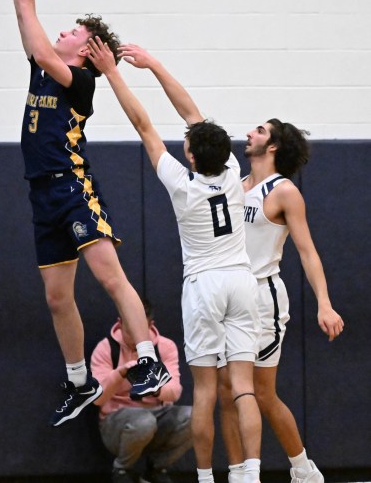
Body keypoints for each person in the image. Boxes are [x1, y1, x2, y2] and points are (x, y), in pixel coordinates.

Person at [12, 0, 171, 427]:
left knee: (109, 277)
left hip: (72, 189)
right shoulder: (44, 67)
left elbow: (38, 42)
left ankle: (148, 360)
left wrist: (31, 5)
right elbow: (25, 17)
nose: (62, 31)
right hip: (42, 197)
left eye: (73, 32)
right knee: (58, 298)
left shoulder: (79, 81)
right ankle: (80, 381)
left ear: (86, 51)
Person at [87, 38, 262, 483]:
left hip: (204, 285)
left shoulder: (183, 185)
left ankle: (205, 477)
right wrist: (156, 65)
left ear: (190, 155)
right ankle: (251, 474)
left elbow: (144, 125)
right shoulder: (229, 173)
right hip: (243, 282)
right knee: (243, 386)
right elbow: (193, 114)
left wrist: (115, 71)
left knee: (205, 390)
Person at [217, 120, 345, 483]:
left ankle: (303, 469)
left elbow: (307, 252)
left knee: (262, 392)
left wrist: (324, 302)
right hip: (228, 295)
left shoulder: (284, 192)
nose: (249, 134)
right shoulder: (236, 185)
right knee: (226, 391)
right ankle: (238, 473)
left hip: (262, 297)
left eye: (259, 130)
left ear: (273, 146)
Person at [91, 298, 193, 483]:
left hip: (158, 416)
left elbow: (174, 391)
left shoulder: (165, 346)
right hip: (116, 423)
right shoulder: (105, 348)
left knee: (197, 418)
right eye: (130, 329)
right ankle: (121, 470)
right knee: (144, 421)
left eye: (141, 329)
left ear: (150, 325)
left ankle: (155, 470)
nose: (135, 336)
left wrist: (154, 387)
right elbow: (97, 399)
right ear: (120, 323)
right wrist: (120, 374)